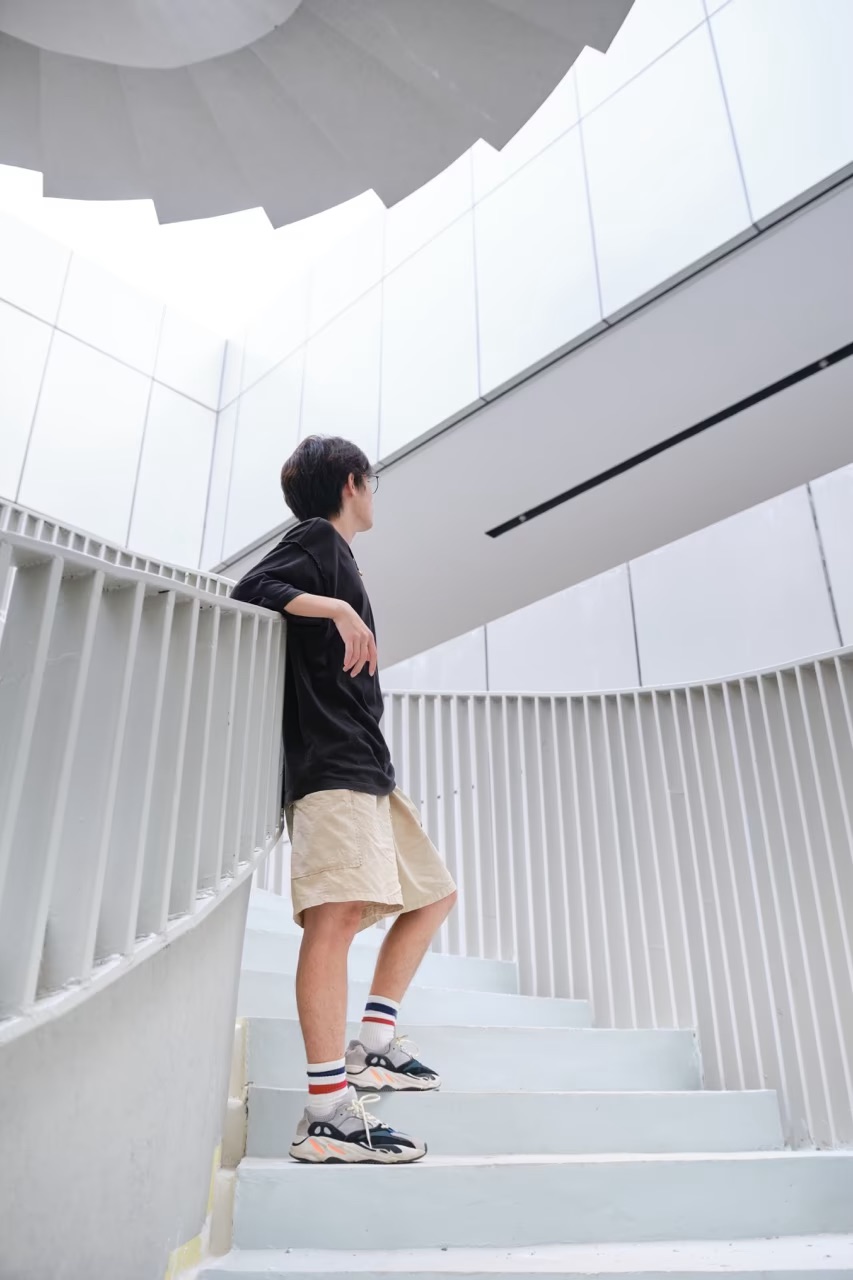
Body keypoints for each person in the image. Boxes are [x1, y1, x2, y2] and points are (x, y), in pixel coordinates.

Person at [230, 435, 457, 1165]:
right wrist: (336, 609)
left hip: (366, 766)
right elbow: (249, 588)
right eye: (372, 483)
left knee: (433, 895)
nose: (372, 494)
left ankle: (375, 1044)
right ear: (353, 483)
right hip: (332, 766)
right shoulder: (317, 539)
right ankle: (325, 1114)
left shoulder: (336, 553)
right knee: (333, 922)